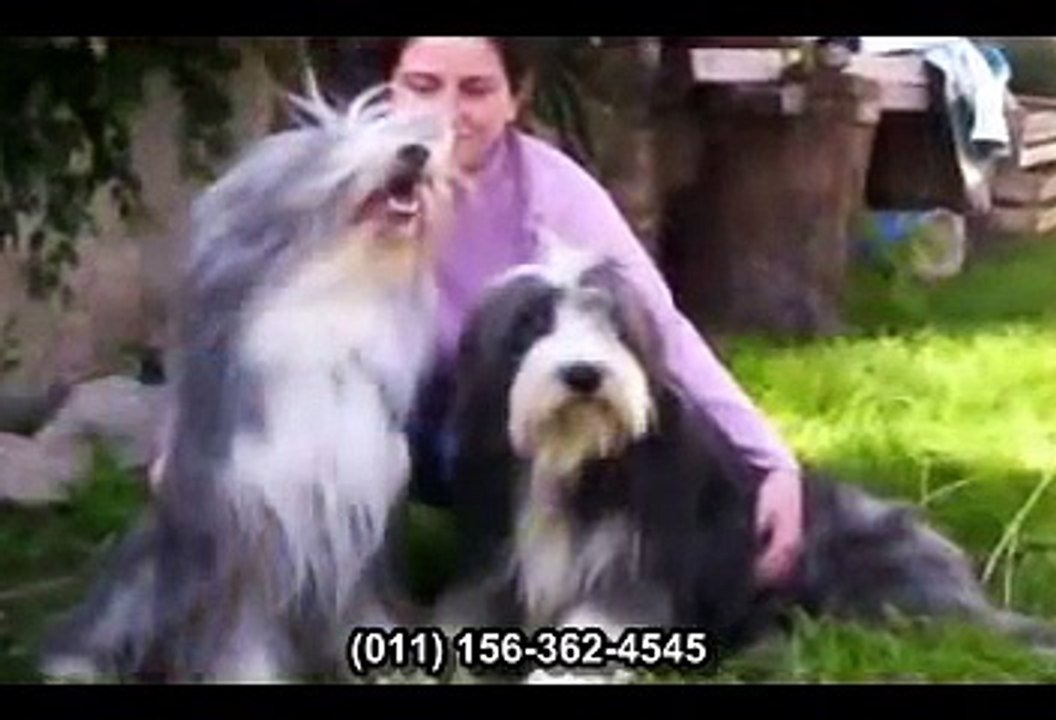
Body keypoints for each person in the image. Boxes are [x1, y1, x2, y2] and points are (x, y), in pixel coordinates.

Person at [379, 37, 804, 589]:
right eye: (422, 86)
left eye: (477, 90)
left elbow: (658, 327)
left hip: (489, 424)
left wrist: (771, 461)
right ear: (389, 89)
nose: (446, 112)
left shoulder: (555, 191)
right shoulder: (342, 186)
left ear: (516, 97)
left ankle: (542, 576)